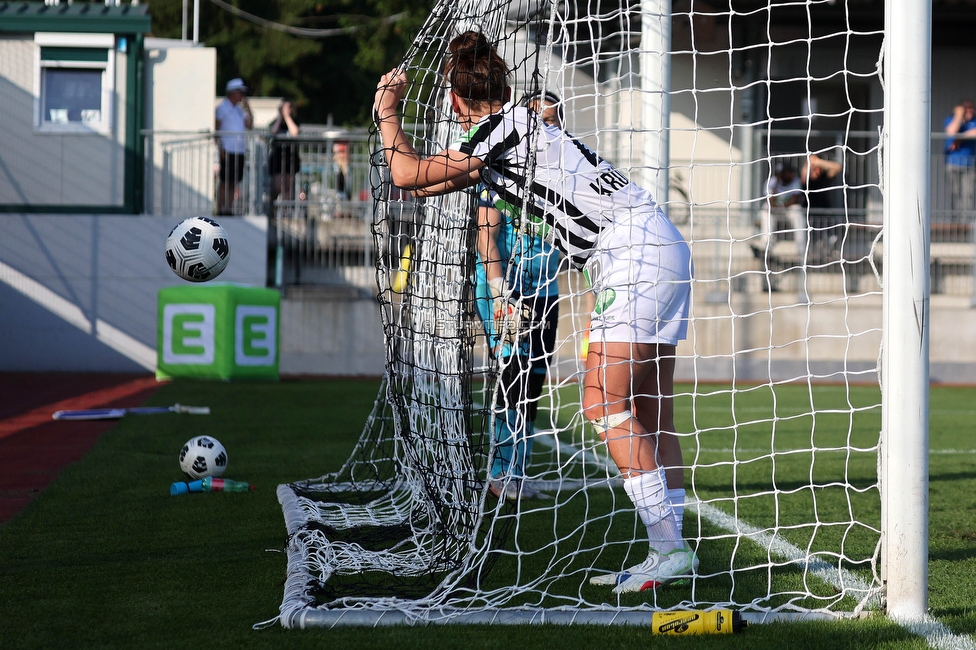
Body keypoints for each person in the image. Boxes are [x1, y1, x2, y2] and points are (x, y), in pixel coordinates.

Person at [373, 31, 696, 591]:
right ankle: (671, 549)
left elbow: (404, 175)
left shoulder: (499, 134)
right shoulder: (520, 131)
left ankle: (669, 549)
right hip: (659, 242)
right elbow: (428, 186)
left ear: (454, 102)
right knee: (651, 407)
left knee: (603, 405)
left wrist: (388, 112)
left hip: (630, 255)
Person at [476, 92, 563, 501]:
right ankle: (498, 471)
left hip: (545, 293)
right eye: (541, 121)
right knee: (510, 379)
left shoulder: (563, 178)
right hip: (506, 292)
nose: (549, 129)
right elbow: (486, 238)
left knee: (533, 387)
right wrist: (498, 293)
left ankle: (519, 472)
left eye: (554, 122)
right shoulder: (500, 172)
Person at [215, 78, 253, 215]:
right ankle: (220, 208)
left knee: (234, 181)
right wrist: (220, 149)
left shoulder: (239, 110)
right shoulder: (221, 108)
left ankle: (229, 208)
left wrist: (248, 108)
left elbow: (249, 125)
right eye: (240, 92)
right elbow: (217, 130)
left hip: (239, 150)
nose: (242, 95)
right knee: (225, 181)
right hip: (227, 149)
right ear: (233, 92)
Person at [800, 153, 844, 259]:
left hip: (824, 212)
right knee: (811, 235)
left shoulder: (824, 177)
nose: (817, 170)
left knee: (832, 232)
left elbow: (837, 167)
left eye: (819, 168)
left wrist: (819, 162)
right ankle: (812, 253)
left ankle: (827, 251)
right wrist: (810, 162)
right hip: (809, 213)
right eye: (814, 168)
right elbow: (804, 173)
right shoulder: (807, 181)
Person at [944, 100, 976, 221]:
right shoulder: (952, 119)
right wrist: (958, 116)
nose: (970, 111)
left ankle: (966, 222)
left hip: (969, 164)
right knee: (955, 193)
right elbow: (951, 131)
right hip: (953, 164)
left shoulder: (974, 122)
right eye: (966, 109)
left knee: (968, 194)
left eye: (971, 108)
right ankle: (956, 221)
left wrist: (959, 138)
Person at [268, 99, 301, 213]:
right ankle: (272, 208)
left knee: (288, 185)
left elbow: (295, 132)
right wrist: (281, 117)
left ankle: (286, 210)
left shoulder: (294, 121)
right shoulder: (275, 121)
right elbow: (273, 131)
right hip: (278, 157)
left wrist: (287, 117)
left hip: (290, 158)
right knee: (277, 185)